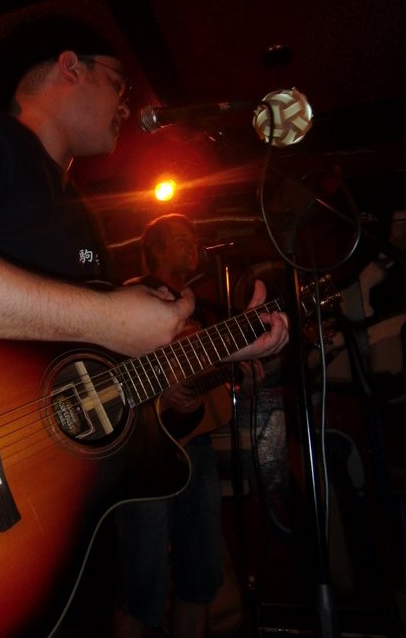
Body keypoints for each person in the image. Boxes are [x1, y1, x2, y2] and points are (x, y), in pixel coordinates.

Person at [0, 16, 288, 635]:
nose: (127, 104)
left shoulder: (86, 216)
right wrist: (104, 316)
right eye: (119, 82)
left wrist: (200, 367)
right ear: (70, 66)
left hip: (51, 559)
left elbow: (117, 391)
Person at [113, 214, 281, 638]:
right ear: (154, 249)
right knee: (142, 579)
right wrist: (162, 387)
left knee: (201, 573)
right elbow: (113, 371)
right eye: (181, 239)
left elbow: (208, 389)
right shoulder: (131, 296)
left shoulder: (202, 312)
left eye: (193, 238)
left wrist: (240, 375)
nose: (193, 245)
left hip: (196, 446)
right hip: (145, 451)